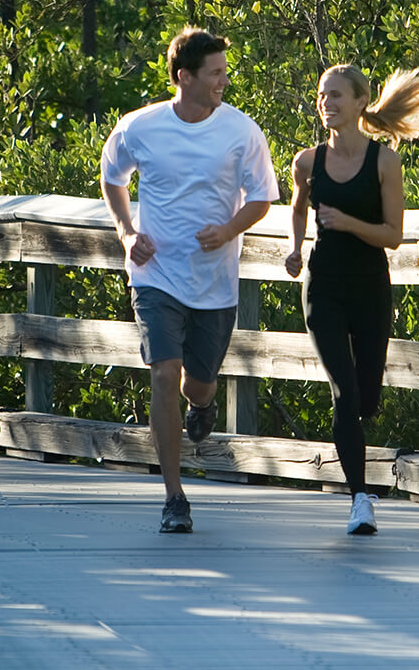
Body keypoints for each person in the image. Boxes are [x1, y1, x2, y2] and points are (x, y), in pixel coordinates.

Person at [100, 26, 279, 533]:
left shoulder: (241, 131)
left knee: (195, 384)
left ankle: (202, 403)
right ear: (185, 76)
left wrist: (228, 229)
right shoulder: (141, 127)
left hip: (214, 282)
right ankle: (174, 497)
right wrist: (126, 231)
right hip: (155, 274)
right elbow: (112, 177)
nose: (224, 80)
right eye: (215, 73)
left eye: (224, 71)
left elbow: (263, 196)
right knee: (162, 374)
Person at [284, 64, 419, 535]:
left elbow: (393, 235)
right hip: (324, 288)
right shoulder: (307, 162)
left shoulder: (384, 162)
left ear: (359, 103)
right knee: (344, 392)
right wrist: (294, 249)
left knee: (367, 395)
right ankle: (359, 499)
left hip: (370, 287)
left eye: (335, 96)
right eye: (321, 96)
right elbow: (297, 206)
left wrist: (348, 222)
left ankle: (360, 450)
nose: (326, 103)